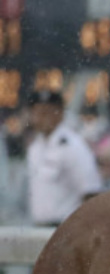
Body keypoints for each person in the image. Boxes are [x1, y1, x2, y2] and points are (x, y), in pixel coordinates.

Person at [25, 88, 103, 227]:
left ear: (59, 114)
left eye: (45, 113)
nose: (39, 119)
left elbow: (91, 192)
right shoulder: (35, 147)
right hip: (38, 226)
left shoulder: (73, 146)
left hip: (64, 227)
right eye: (35, 113)